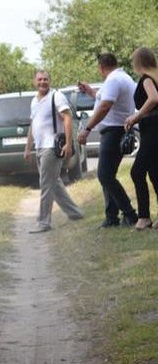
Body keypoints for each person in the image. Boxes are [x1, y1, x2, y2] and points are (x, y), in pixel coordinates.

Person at [78, 53, 138, 228]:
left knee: (104, 175)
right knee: (108, 175)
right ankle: (111, 217)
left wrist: (87, 128)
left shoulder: (113, 80)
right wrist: (90, 92)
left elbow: (105, 106)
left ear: (101, 67)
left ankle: (130, 213)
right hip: (118, 129)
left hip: (113, 131)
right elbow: (105, 99)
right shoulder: (122, 77)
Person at [24, 70, 84, 233]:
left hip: (52, 146)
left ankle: (44, 223)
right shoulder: (34, 101)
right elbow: (33, 125)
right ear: (34, 82)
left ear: (50, 81)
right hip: (40, 146)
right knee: (54, 183)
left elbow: (67, 117)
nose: (42, 82)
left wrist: (69, 144)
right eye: (39, 79)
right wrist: (28, 147)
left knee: (46, 184)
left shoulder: (56, 96)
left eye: (45, 79)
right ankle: (75, 213)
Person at [125, 47, 158, 230]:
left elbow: (153, 99)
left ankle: (144, 217)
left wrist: (135, 117)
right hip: (153, 129)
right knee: (155, 172)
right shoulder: (156, 76)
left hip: (152, 129)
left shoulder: (146, 79)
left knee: (137, 172)